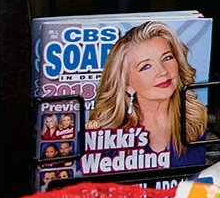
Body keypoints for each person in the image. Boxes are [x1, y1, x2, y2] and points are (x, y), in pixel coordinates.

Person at [86, 20, 209, 166]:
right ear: (127, 85)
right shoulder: (106, 137)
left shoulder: (197, 122)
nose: (162, 71)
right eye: (146, 66)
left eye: (167, 58)